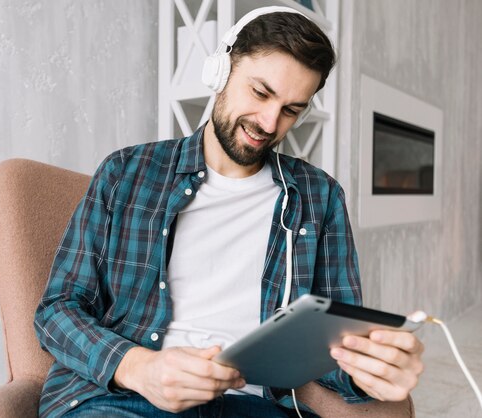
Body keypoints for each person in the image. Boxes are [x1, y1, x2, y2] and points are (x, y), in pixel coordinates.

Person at [34, 7, 424, 418]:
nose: (270, 122)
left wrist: (370, 370)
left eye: (291, 109)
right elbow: (57, 308)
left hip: (251, 406)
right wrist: (137, 367)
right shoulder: (126, 173)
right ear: (220, 71)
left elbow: (330, 346)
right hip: (124, 400)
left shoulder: (319, 196)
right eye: (260, 92)